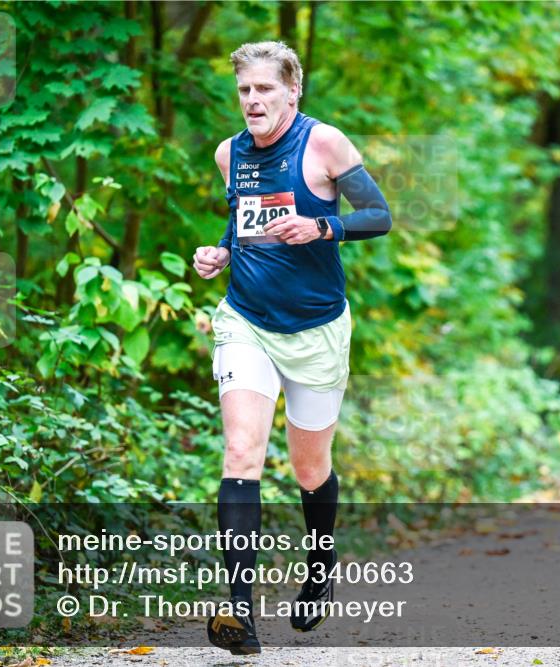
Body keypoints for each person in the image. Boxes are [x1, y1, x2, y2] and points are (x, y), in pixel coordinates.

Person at [192, 41, 392, 655]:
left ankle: (321, 561)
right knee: (241, 452)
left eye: (265, 90)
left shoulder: (325, 144)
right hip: (247, 319)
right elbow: (242, 224)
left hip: (317, 329)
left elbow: (379, 215)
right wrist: (220, 251)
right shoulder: (231, 154)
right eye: (245, 91)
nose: (253, 101)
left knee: (309, 467)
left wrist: (322, 225)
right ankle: (240, 616)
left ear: (291, 92)